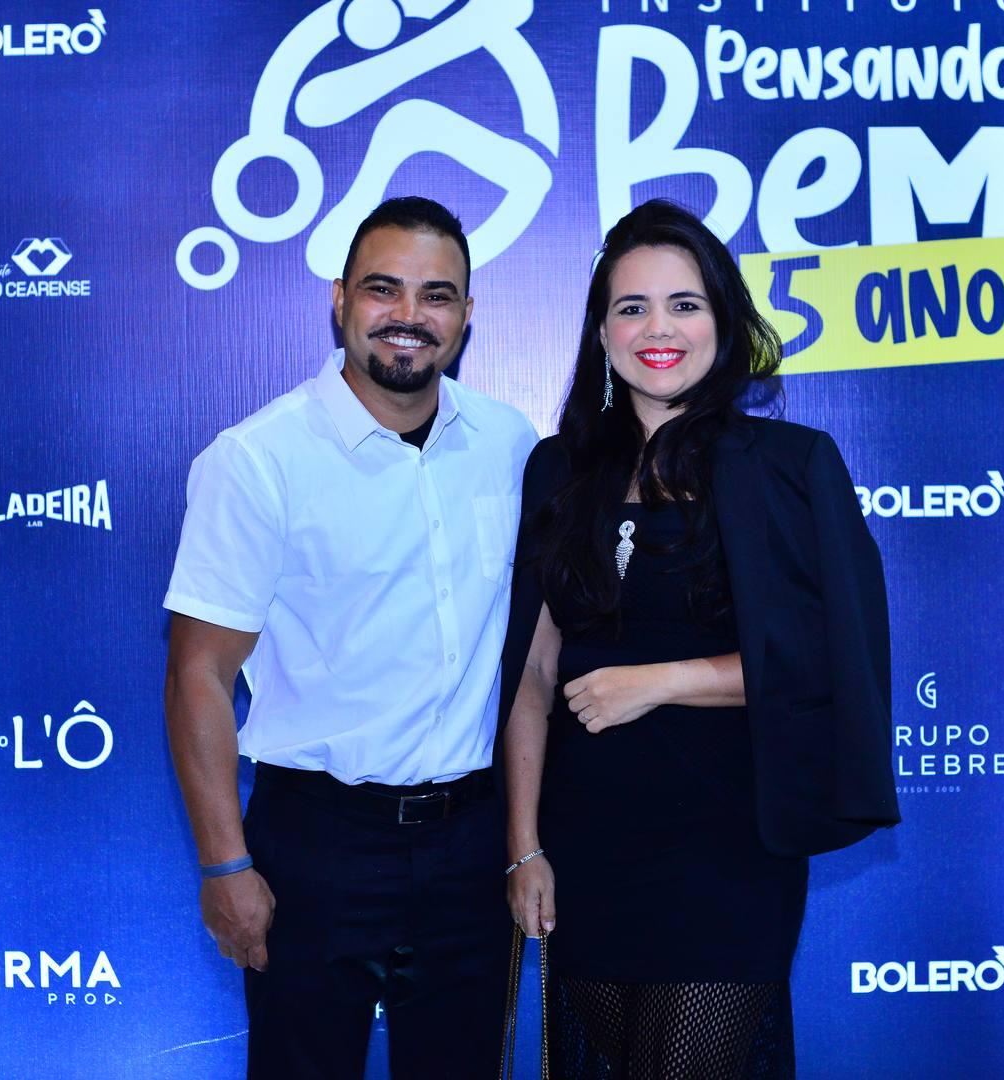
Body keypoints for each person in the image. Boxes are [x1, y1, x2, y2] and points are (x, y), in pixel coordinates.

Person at [500, 200, 899, 1078]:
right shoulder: (556, 469)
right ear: (599, 332)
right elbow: (530, 671)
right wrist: (523, 845)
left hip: (727, 842)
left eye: (684, 304)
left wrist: (660, 680)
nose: (658, 329)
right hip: (586, 838)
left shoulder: (791, 465)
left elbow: (833, 663)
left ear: (723, 320)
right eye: (631, 307)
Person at [163, 196, 538, 1079]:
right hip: (317, 843)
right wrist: (224, 864)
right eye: (383, 289)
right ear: (339, 300)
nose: (409, 315)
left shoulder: (510, 443)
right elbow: (198, 675)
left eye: (436, 295)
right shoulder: (257, 460)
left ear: (468, 314)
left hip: (471, 841)